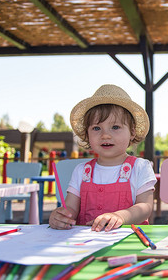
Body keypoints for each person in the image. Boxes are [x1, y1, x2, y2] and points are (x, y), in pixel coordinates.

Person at [49, 84, 157, 231]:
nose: (105, 135)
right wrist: (60, 216)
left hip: (128, 242)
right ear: (87, 134)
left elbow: (145, 207)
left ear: (132, 132)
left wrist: (121, 216)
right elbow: (70, 208)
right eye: (96, 128)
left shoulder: (140, 167)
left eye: (115, 127)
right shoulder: (81, 171)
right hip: (85, 245)